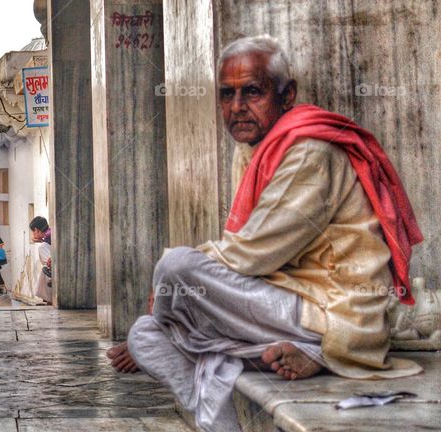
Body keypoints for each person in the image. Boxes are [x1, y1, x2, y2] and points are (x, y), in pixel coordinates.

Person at [106, 35, 423, 432]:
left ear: (286, 94)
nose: (237, 107)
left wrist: (176, 294)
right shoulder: (255, 148)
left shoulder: (309, 151)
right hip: (285, 303)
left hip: (333, 310)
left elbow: (253, 253)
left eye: (252, 92)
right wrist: (174, 311)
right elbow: (244, 258)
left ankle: (314, 350)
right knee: (145, 334)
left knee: (174, 268)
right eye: (227, 94)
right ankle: (222, 413)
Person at [29, 216, 52, 303]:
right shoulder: (49, 234)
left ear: (36, 230)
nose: (33, 234)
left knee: (44, 272)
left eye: (33, 231)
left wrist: (42, 242)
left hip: (51, 270)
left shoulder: (45, 243)